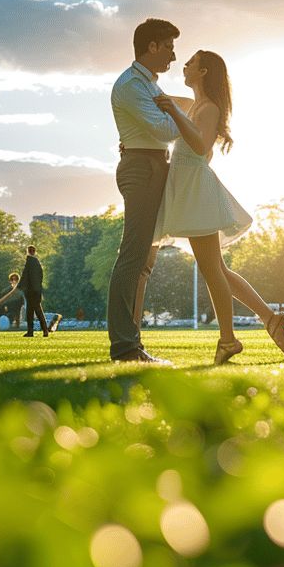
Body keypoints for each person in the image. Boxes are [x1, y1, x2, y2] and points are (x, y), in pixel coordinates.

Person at [153, 50, 284, 364]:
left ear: (202, 71)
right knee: (218, 269)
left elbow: (201, 147)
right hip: (190, 189)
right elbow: (157, 95)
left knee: (212, 269)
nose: (184, 66)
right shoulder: (194, 104)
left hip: (197, 191)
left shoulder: (209, 108)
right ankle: (270, 318)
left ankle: (228, 340)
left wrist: (173, 113)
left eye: (190, 63)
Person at [107, 18, 182, 363]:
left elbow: (169, 118)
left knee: (144, 258)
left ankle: (131, 342)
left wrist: (182, 108)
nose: (174, 55)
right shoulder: (131, 86)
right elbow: (164, 129)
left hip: (155, 166)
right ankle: (125, 346)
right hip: (141, 168)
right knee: (133, 254)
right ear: (151, 46)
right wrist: (188, 113)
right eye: (168, 46)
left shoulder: (149, 84)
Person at [17, 245, 51, 337]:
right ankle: (43, 330)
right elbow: (38, 277)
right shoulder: (37, 263)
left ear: (27, 251)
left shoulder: (29, 262)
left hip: (31, 291)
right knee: (36, 311)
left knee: (32, 312)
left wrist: (19, 286)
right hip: (36, 291)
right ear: (34, 252)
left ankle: (33, 331)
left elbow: (25, 276)